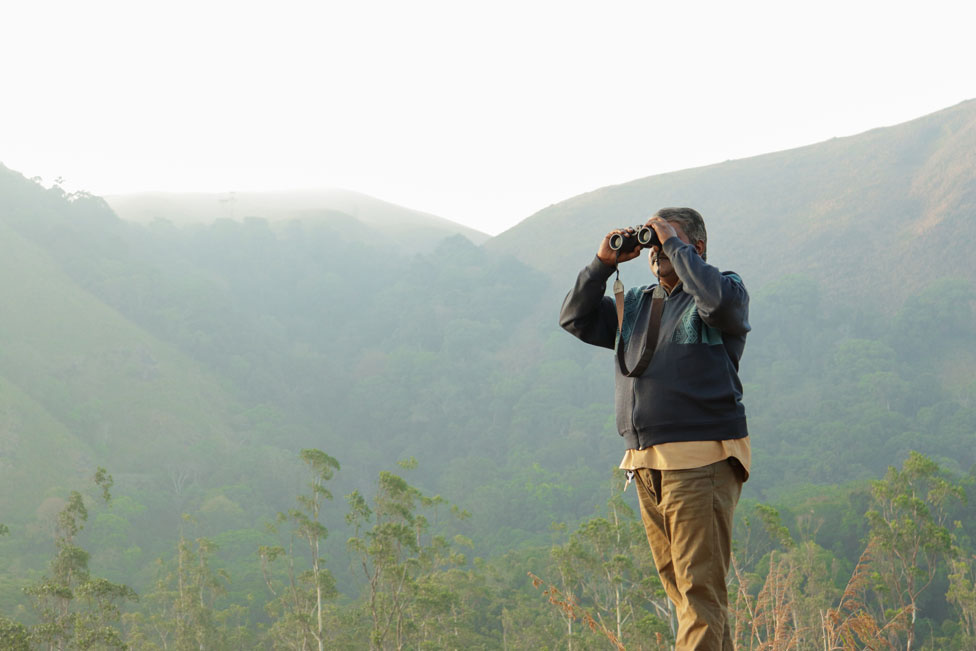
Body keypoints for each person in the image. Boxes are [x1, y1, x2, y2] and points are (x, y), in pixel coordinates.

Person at [559, 207, 750, 650]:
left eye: (666, 241)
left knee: (699, 592)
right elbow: (575, 319)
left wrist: (675, 247)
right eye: (653, 243)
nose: (656, 251)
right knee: (685, 595)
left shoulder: (726, 291)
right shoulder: (639, 303)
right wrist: (602, 265)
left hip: (700, 459)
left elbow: (718, 303)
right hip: (645, 463)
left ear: (696, 248)